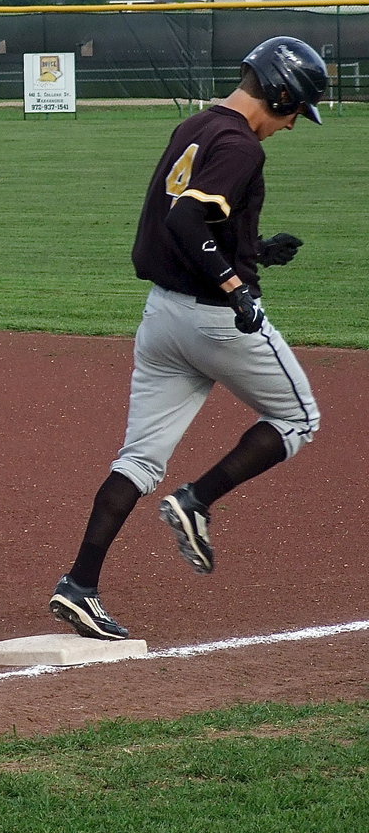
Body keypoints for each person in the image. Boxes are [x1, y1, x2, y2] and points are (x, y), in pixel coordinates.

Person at [49, 37, 327, 640]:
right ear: (278, 93)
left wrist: (253, 252)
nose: (291, 125)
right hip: (212, 319)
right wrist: (236, 283)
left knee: (139, 458)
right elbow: (186, 219)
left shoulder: (197, 125)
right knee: (299, 419)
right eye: (293, 111)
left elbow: (183, 219)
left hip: (162, 318)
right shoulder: (241, 146)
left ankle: (80, 585)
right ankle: (197, 500)